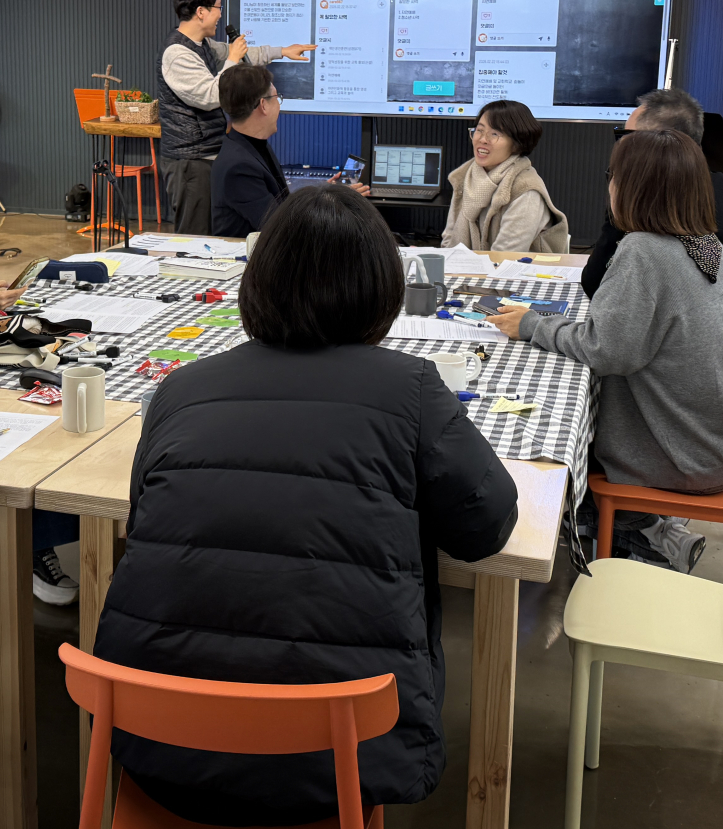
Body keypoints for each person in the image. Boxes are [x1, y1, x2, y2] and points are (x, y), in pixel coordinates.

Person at [93, 183, 519, 825]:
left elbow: (146, 519)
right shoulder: (410, 388)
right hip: (340, 762)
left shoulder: (180, 389)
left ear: (258, 281)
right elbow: (486, 526)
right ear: (382, 290)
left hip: (158, 747)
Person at [488, 128, 723, 571]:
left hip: (688, 456)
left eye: (613, 175)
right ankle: (652, 532)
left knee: (557, 437)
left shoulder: (643, 250)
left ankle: (636, 531)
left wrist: (531, 325)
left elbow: (607, 351)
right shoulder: (705, 241)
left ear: (631, 186)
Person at [582, 88, 723, 302]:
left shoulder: (642, 202)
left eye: (625, 137)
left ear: (652, 144)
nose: (620, 147)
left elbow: (595, 285)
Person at [156, 0, 316, 235]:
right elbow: (210, 95)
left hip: (207, 153)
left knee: (212, 234)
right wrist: (231, 58)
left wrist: (282, 51)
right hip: (190, 160)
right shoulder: (176, 53)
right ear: (201, 12)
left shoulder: (203, 45)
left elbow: (245, 55)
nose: (220, 15)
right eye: (218, 8)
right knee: (195, 236)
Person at [210, 64, 369, 238]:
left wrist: (325, 192)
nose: (279, 105)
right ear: (263, 105)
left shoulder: (253, 147)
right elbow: (282, 227)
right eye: (276, 97)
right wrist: (335, 202)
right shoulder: (239, 167)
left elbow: (283, 207)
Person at [441, 99, 569, 253]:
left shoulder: (526, 190)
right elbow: (448, 239)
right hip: (470, 265)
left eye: (494, 134)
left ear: (517, 143)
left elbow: (504, 255)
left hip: (517, 267)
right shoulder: (466, 177)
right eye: (479, 130)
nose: (482, 139)